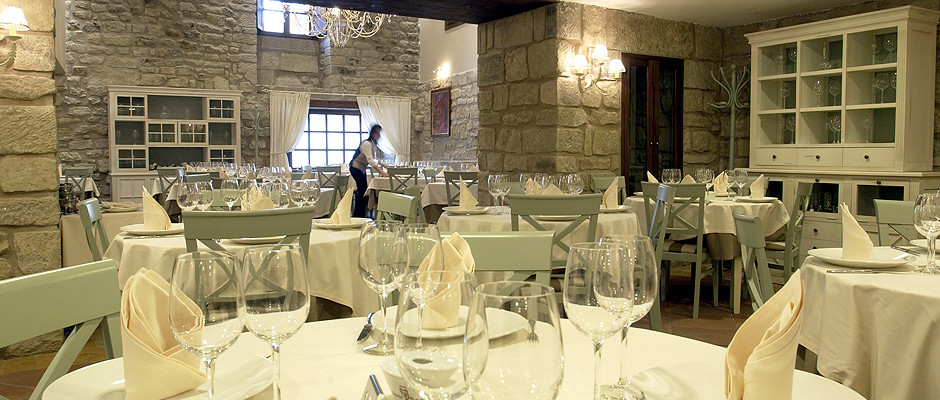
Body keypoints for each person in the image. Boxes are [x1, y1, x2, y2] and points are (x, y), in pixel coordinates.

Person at [349, 124, 389, 218]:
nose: (379, 136)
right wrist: (382, 172)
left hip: (361, 169)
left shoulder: (373, 145)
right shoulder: (366, 144)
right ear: (373, 133)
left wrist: (385, 165)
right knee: (362, 191)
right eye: (378, 133)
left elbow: (376, 159)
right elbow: (370, 160)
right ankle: (358, 215)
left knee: (364, 191)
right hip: (355, 168)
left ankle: (361, 215)